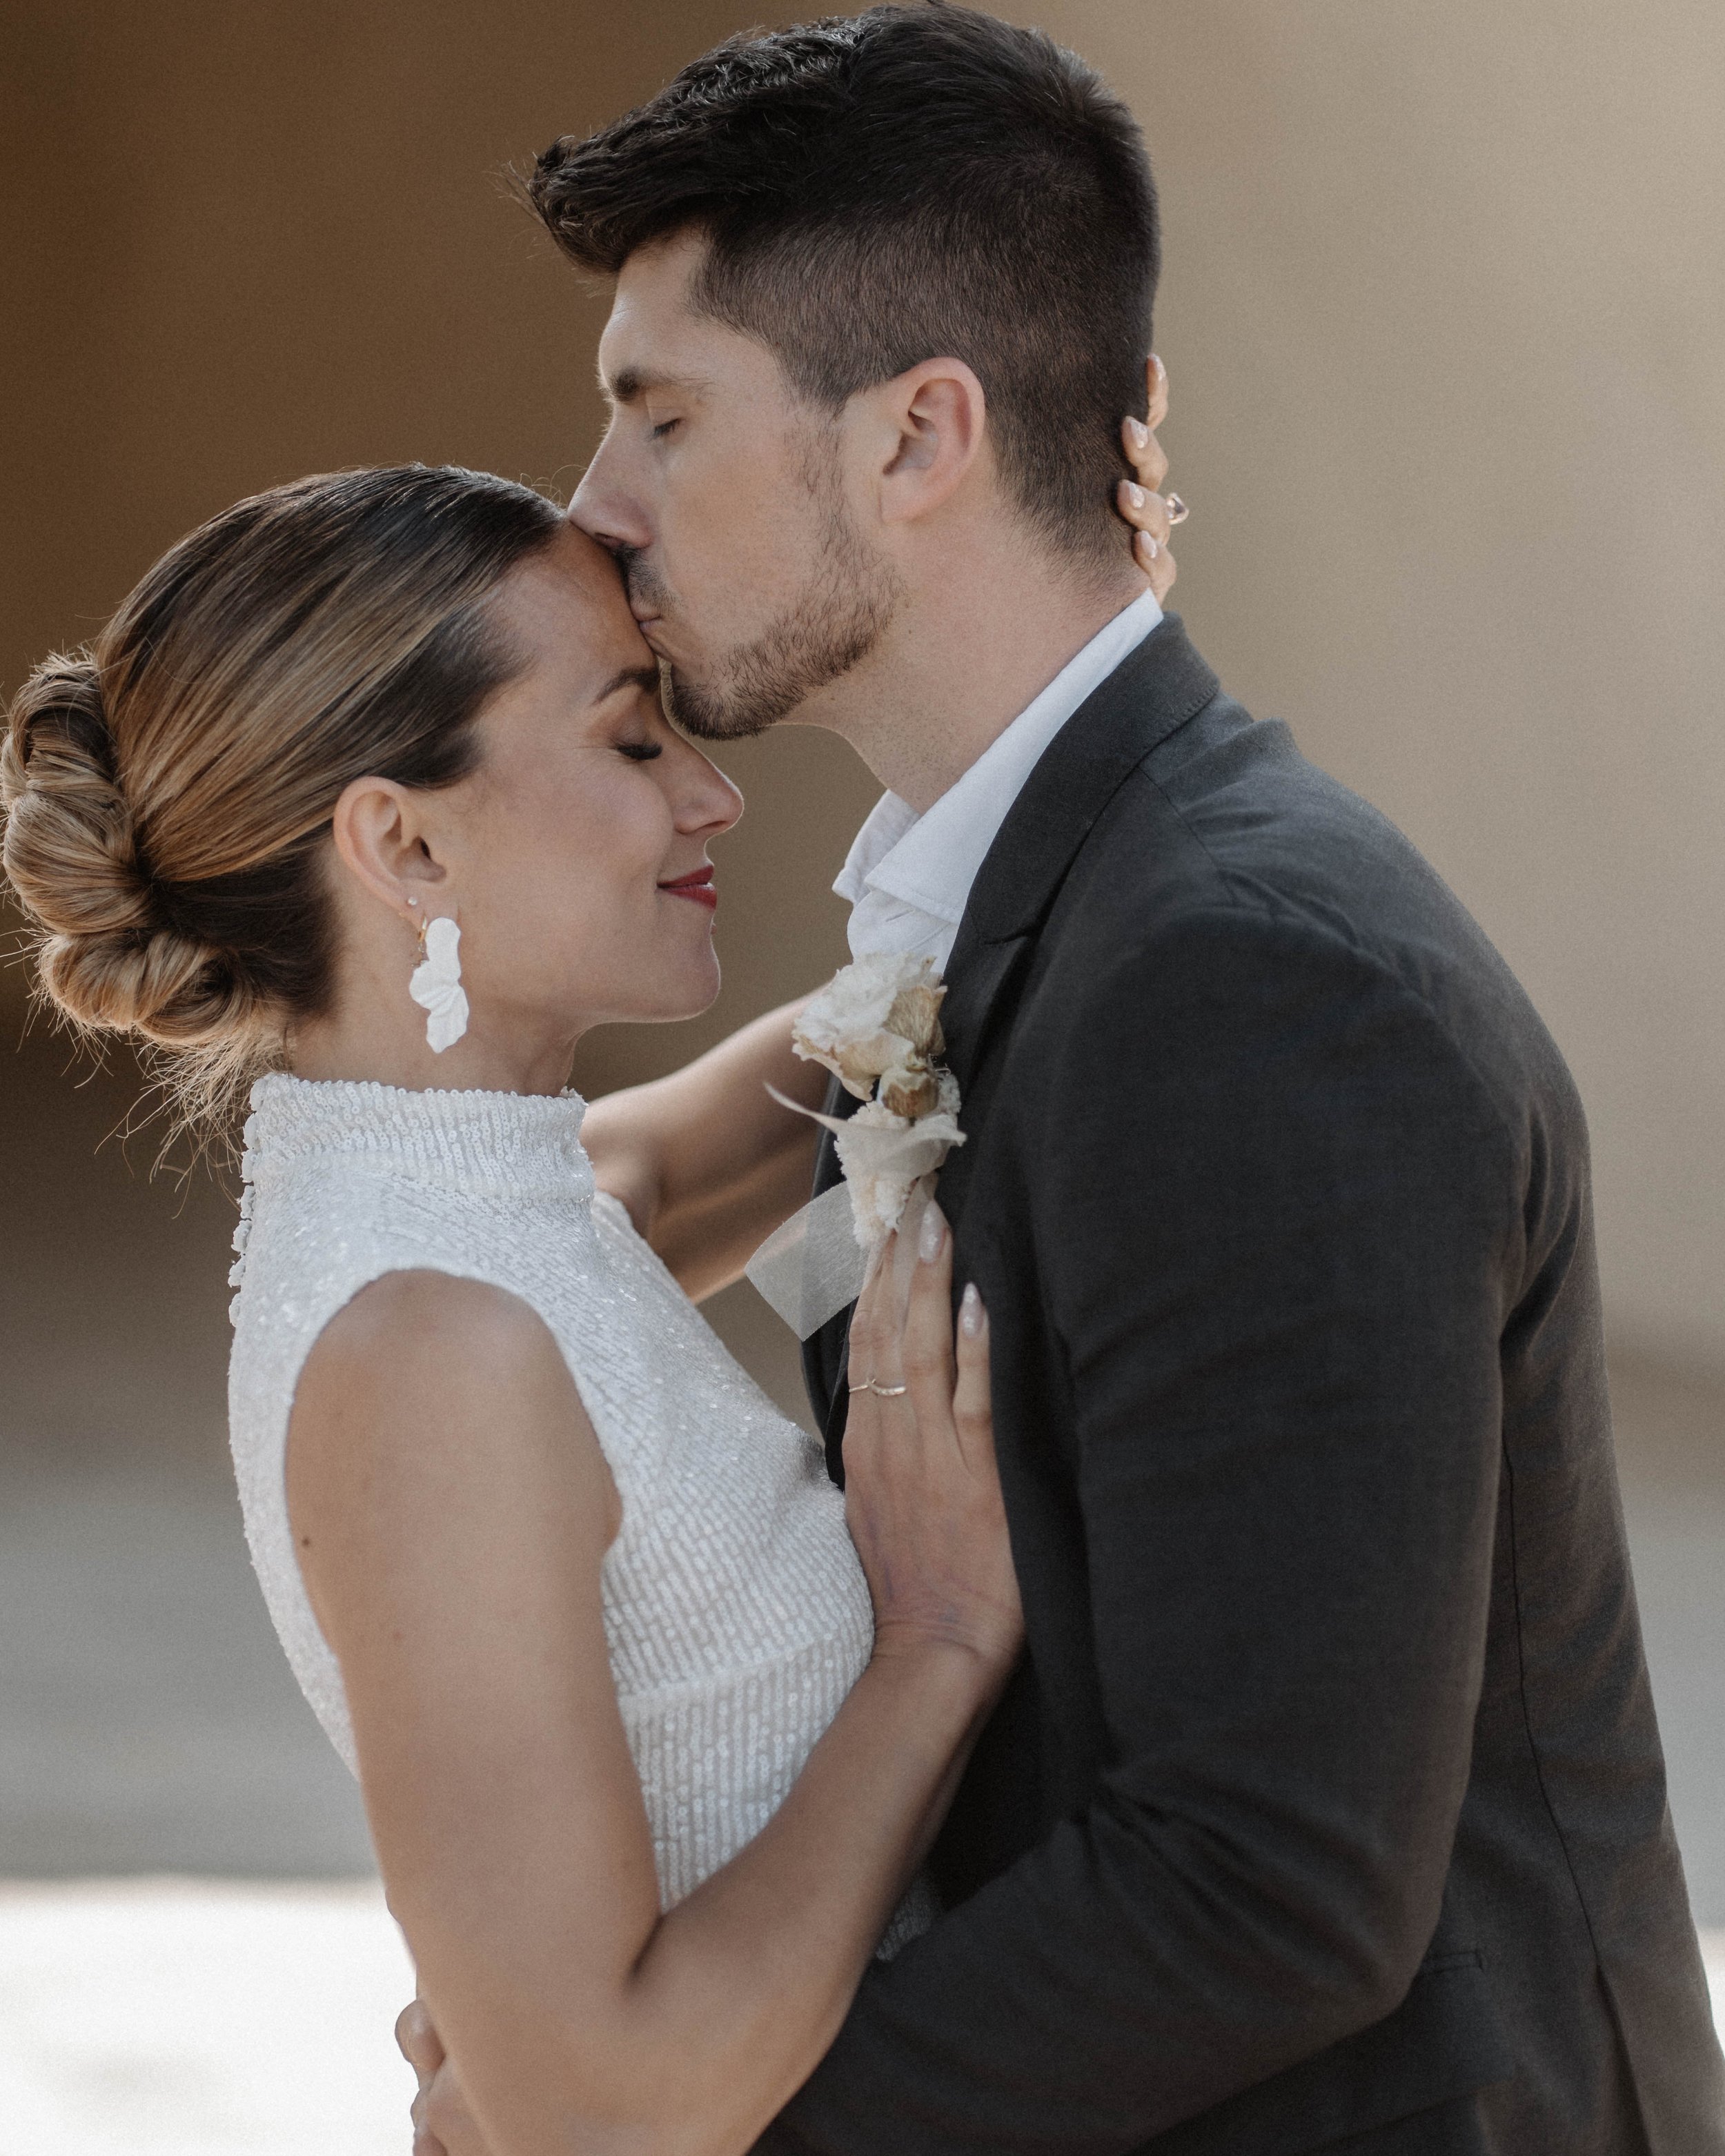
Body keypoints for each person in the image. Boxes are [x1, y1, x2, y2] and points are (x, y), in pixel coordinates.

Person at [398, 5, 1724, 2152]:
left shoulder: (1254, 988)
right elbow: (597, 1212)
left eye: (658, 413)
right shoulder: (1022, 901)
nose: (599, 506)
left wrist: (690, 2122)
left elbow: (1272, 1878)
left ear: (919, 436)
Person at [0, 445, 1176, 2155]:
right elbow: (593, 2111)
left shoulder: (519, 1204)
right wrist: (933, 1640)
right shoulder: (427, 1345)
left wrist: (1063, 638)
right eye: (632, 739)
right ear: (401, 842)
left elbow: (894, 1014)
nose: (712, 797)